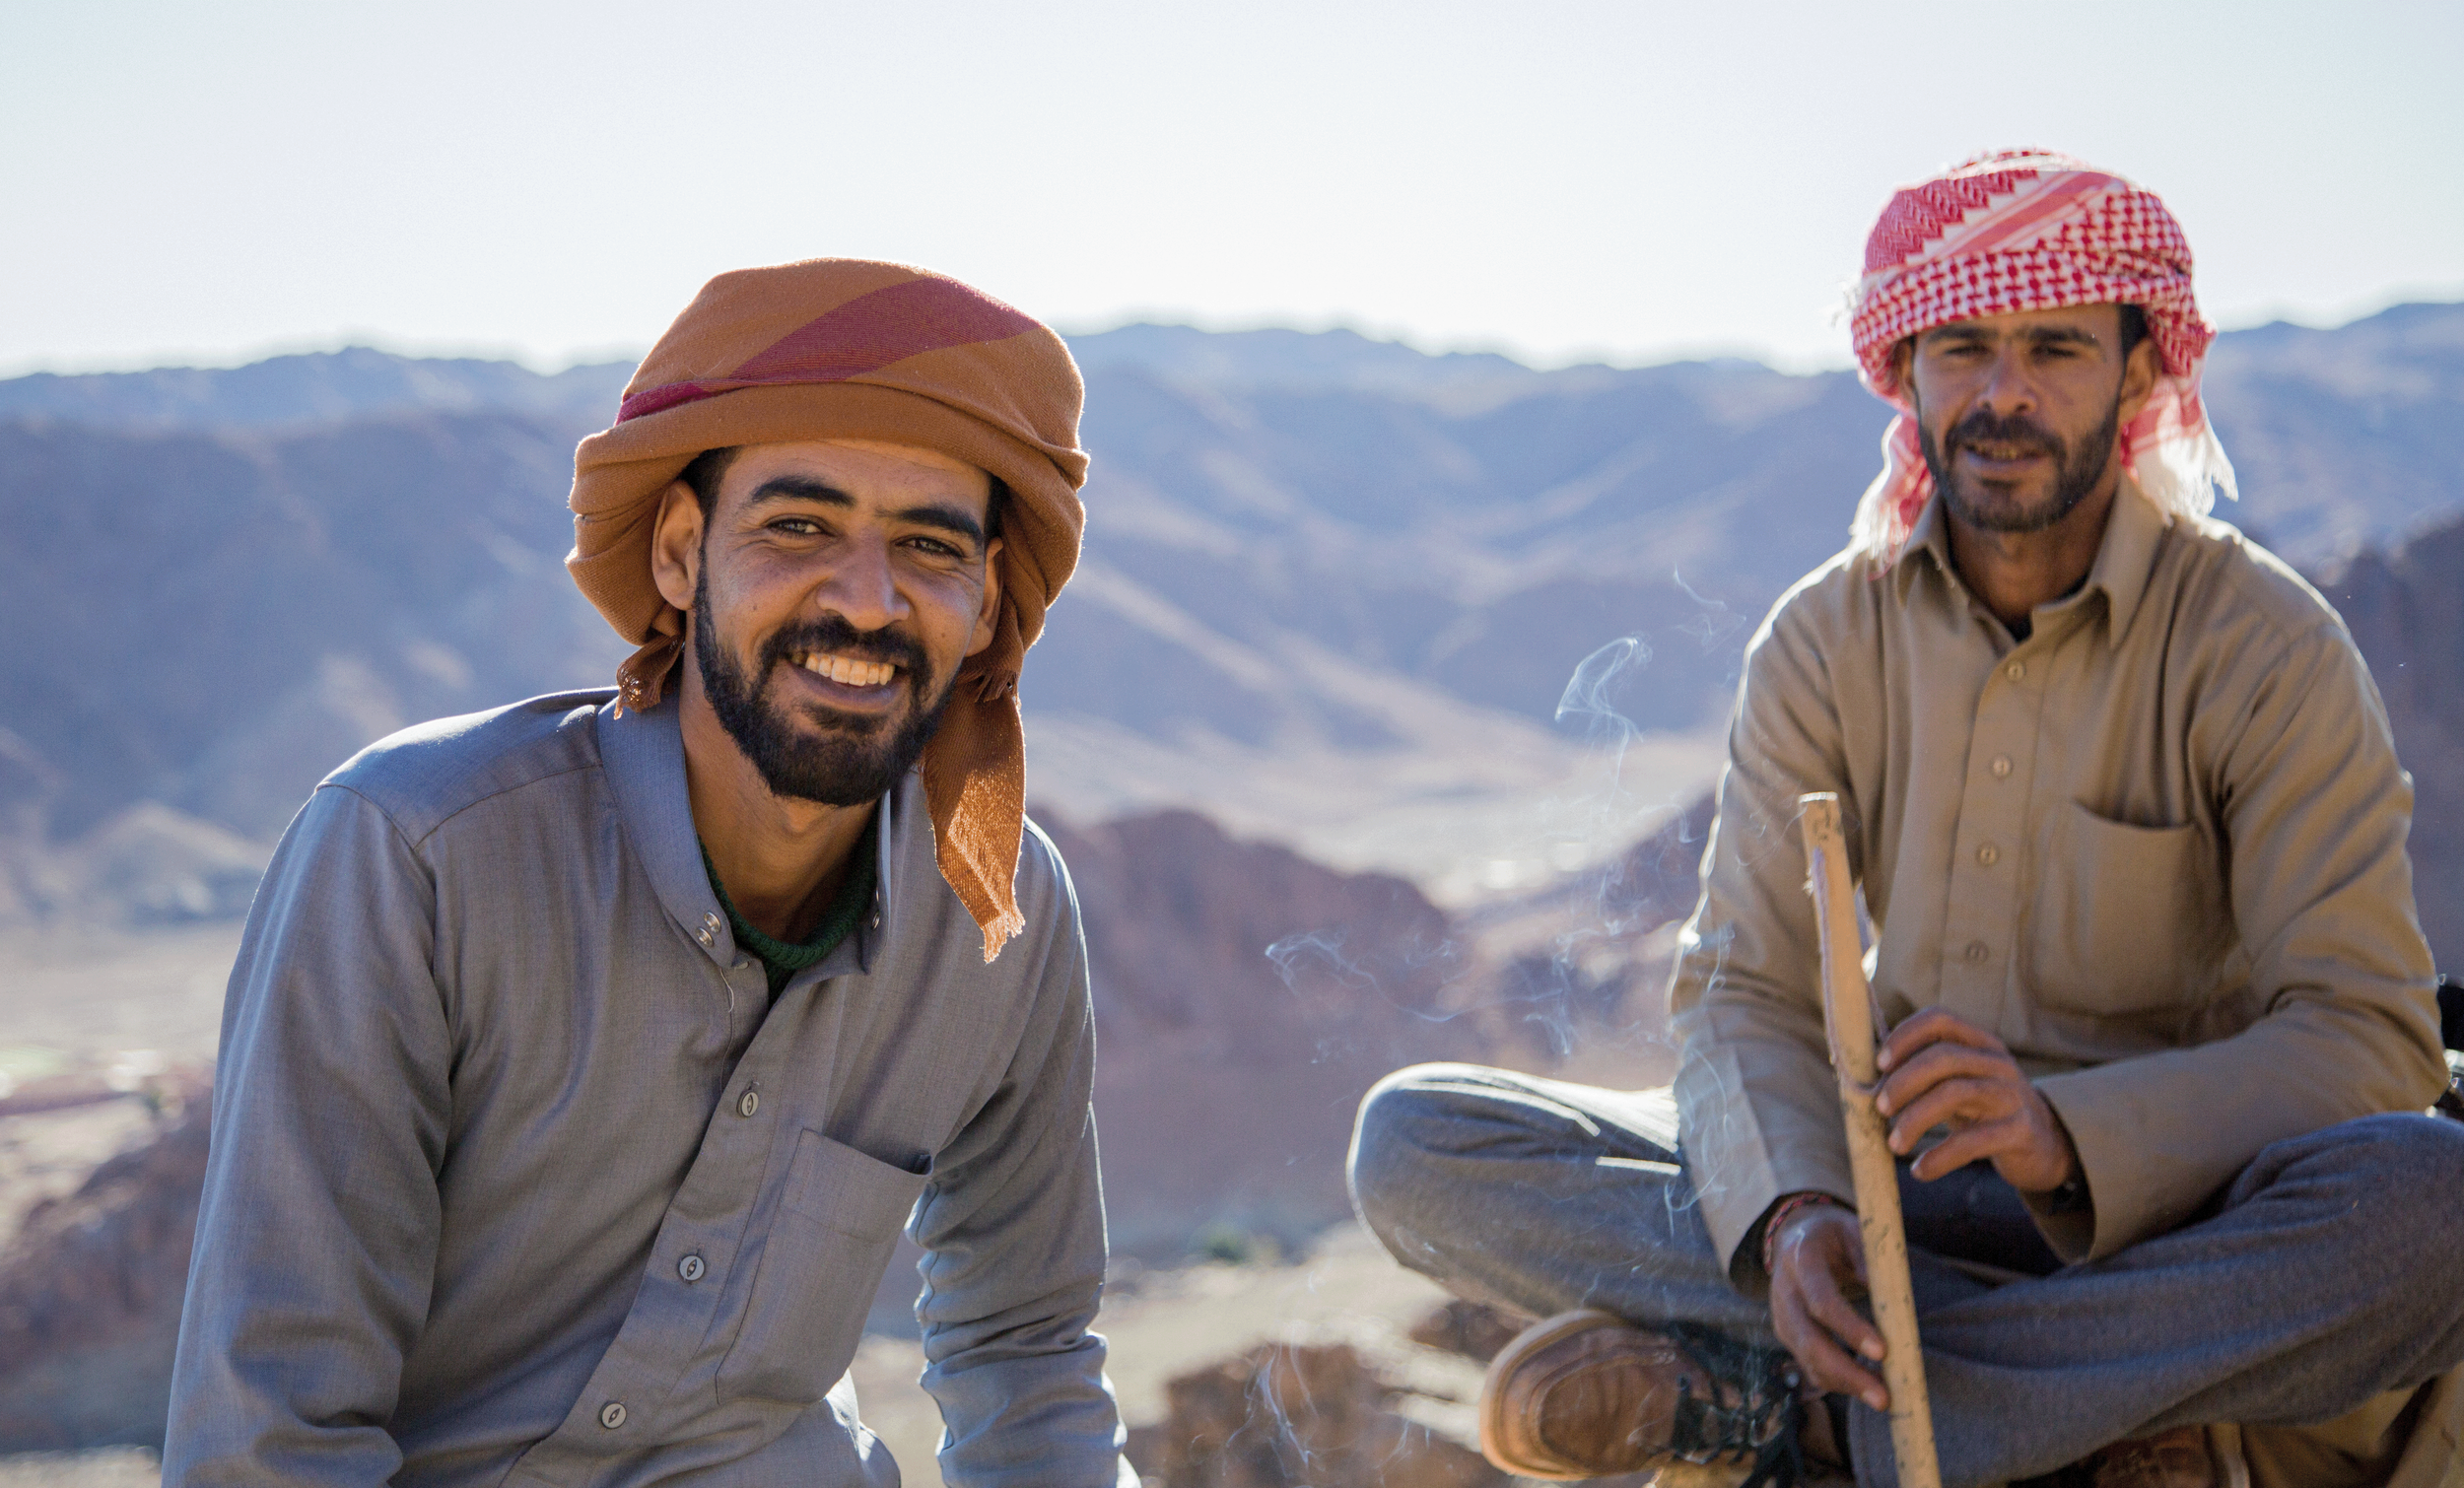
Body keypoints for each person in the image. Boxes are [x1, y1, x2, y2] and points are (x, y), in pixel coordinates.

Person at [1347, 152, 2464, 1488]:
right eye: (1962, 347)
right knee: (1421, 1144)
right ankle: (2074, 1402)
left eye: (2055, 347)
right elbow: (1745, 986)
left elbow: (2367, 1037)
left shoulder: (2264, 647)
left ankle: (1818, 1413)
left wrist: (2061, 1132)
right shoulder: (1826, 636)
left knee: (2437, 1203)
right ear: (1906, 369)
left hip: (2168, 1226)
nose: (2003, 393)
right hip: (1892, 1189)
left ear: (2136, 372)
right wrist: (1793, 1211)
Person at [165, 259, 1136, 1486]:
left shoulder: (1002, 910)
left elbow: (1026, 1350)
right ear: (680, 553)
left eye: (928, 546)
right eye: (800, 526)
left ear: (987, 601)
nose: (867, 600)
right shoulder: (417, 856)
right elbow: (273, 1438)